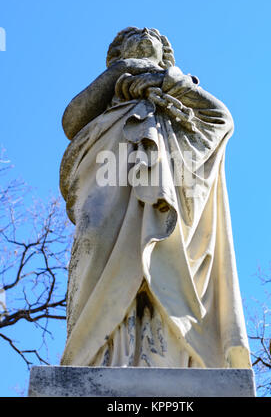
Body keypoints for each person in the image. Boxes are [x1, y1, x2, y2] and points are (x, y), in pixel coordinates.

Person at [60, 27, 251, 368]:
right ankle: (91, 353)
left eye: (157, 38)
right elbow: (72, 121)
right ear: (118, 52)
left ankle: (169, 354)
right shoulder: (109, 95)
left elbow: (221, 119)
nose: (147, 33)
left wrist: (168, 82)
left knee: (167, 255)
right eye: (135, 35)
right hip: (107, 175)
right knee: (94, 239)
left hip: (169, 187)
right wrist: (121, 72)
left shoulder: (179, 91)